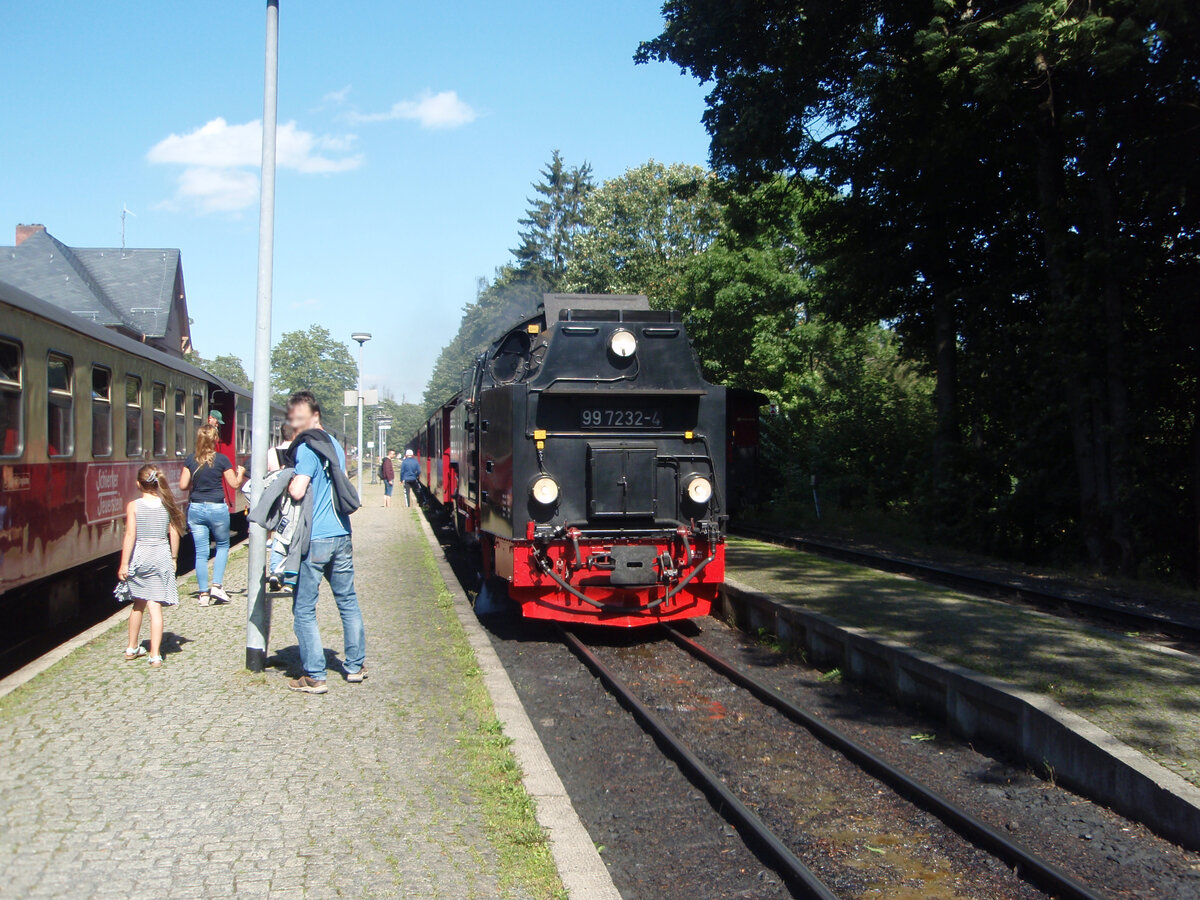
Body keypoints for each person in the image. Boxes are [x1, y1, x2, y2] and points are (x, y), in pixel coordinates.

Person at [286, 390, 365, 694]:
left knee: (304, 608)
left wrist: (289, 478)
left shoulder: (308, 447)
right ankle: (355, 666)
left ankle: (315, 675)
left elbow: (298, 490)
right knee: (347, 600)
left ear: (313, 417)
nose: (296, 423)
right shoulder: (333, 444)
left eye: (298, 418)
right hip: (342, 534)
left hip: (316, 538)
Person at [118, 464, 185, 667]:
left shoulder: (133, 506)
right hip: (161, 555)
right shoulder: (167, 504)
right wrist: (174, 558)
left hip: (141, 556)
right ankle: (155, 655)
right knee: (155, 606)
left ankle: (131, 647)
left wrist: (123, 563)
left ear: (139, 484)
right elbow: (174, 532)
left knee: (138, 603)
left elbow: (130, 535)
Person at [180, 423, 245, 606]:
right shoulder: (222, 460)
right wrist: (240, 474)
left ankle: (203, 594)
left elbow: (183, 485)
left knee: (201, 552)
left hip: (196, 508)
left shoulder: (191, 460)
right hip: (216, 508)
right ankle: (216, 585)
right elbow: (233, 484)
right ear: (215, 439)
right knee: (223, 545)